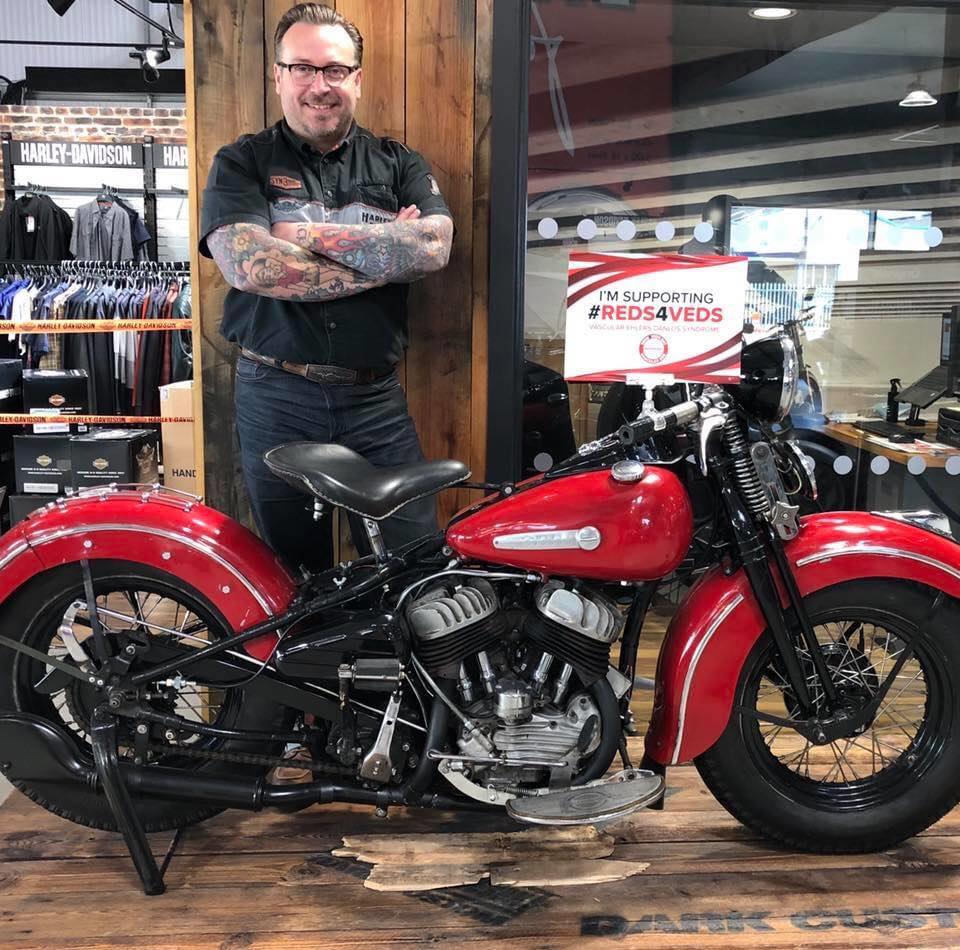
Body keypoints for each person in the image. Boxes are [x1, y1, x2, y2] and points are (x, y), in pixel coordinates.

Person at [198, 3, 454, 573]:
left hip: (375, 400)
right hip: (276, 395)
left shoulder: (398, 163)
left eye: (335, 70)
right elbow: (251, 268)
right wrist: (386, 253)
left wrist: (300, 236)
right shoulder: (241, 163)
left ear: (356, 79)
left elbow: (432, 247)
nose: (320, 85)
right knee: (290, 571)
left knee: (412, 562)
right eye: (303, 68)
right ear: (279, 76)